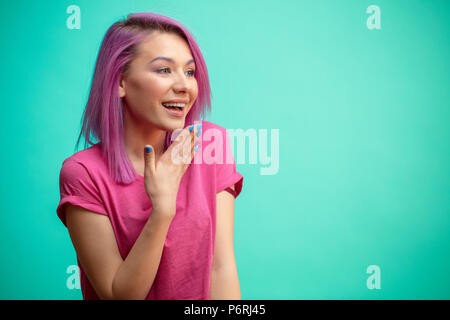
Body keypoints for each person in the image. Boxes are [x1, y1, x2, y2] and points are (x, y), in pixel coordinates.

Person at [56, 12, 244, 300]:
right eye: (164, 70)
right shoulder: (83, 173)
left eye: (190, 72)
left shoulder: (209, 144)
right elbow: (118, 295)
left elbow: (222, 267)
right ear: (120, 82)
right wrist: (162, 210)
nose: (184, 86)